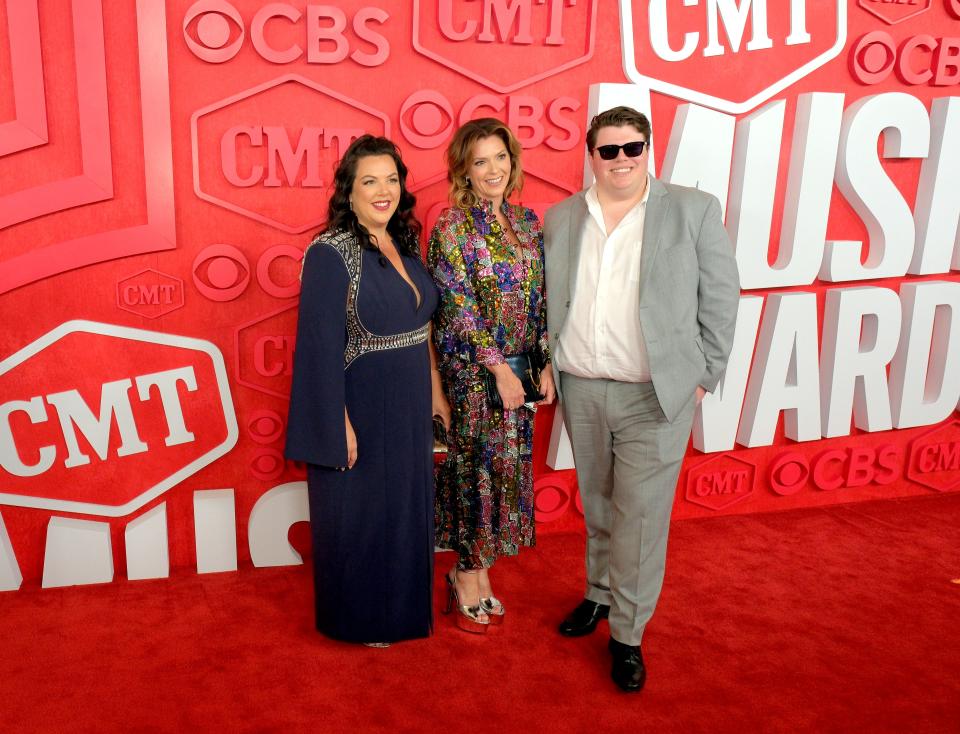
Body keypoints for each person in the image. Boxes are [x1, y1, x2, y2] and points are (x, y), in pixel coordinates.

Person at [544, 106, 740, 690]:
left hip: (655, 396)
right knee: (600, 506)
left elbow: (722, 297)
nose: (622, 159)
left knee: (641, 519)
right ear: (591, 156)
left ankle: (627, 635)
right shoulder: (560, 217)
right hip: (581, 386)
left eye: (633, 148)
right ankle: (599, 595)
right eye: (609, 151)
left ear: (648, 149)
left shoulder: (692, 210)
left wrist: (705, 374)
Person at [285, 135, 450, 646]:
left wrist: (436, 394)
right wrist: (338, 424)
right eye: (369, 181)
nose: (383, 191)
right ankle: (360, 619)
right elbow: (318, 349)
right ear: (348, 192)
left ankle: (401, 613)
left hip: (407, 405)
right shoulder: (330, 253)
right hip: (361, 405)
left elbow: (420, 330)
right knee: (362, 516)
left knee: (403, 511)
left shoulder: (400, 242)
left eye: (392, 180)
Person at [428, 118, 556, 633]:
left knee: (505, 474)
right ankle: (466, 575)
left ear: (513, 159)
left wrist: (544, 359)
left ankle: (477, 570)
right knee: (475, 473)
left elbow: (543, 298)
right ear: (464, 170)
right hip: (474, 376)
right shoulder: (452, 228)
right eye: (480, 161)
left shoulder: (526, 224)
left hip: (521, 375)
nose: (493, 169)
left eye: (499, 157)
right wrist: (499, 367)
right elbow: (454, 307)